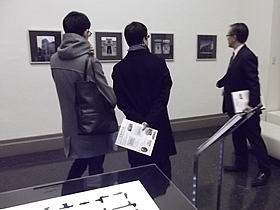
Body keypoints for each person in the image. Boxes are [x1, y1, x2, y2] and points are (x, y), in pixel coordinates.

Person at [50, 11, 116, 180]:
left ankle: (67, 197)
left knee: (79, 164)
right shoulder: (89, 61)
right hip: (92, 126)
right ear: (86, 32)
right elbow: (109, 98)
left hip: (71, 126)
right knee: (95, 166)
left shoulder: (54, 59)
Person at [112, 21, 176, 179]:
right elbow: (164, 93)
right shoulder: (158, 62)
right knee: (162, 169)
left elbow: (120, 100)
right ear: (144, 39)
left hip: (135, 127)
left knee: (138, 170)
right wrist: (150, 119)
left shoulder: (119, 68)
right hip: (158, 122)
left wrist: (139, 120)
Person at [216, 23, 271, 186]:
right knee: (238, 135)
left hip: (247, 109)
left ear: (235, 37)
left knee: (254, 139)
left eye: (228, 35)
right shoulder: (236, 54)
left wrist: (252, 105)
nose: (226, 38)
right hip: (236, 106)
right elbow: (233, 74)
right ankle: (241, 163)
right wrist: (222, 82)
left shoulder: (247, 56)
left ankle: (264, 171)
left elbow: (254, 82)